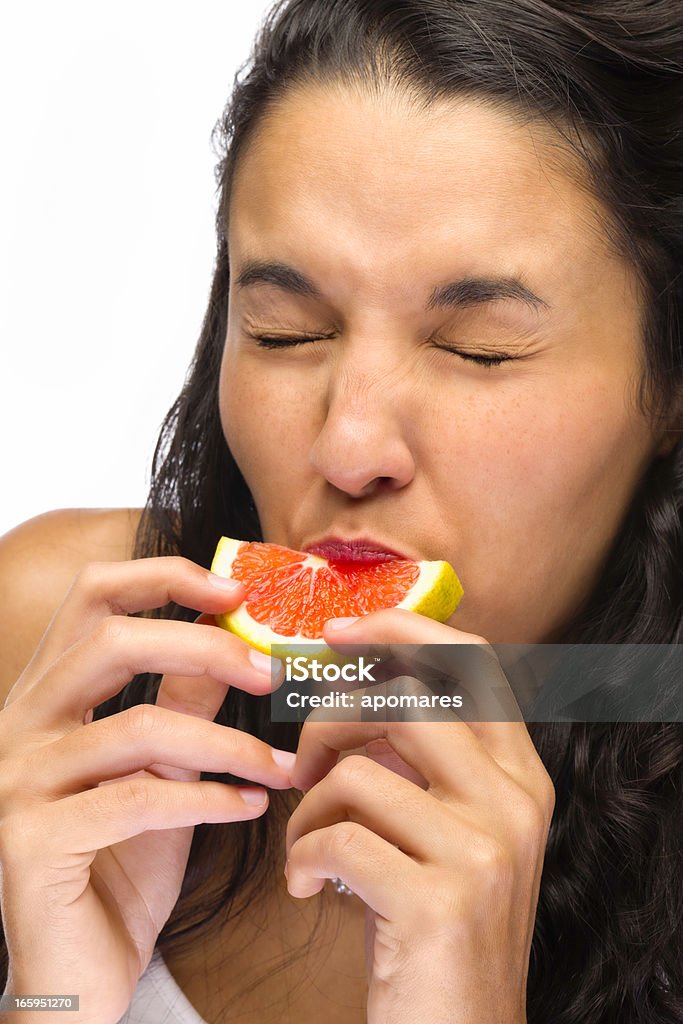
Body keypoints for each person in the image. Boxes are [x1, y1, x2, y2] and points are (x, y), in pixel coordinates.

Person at [0, 0, 681, 1021]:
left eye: (476, 349)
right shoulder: (58, 652)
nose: (346, 446)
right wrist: (50, 998)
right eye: (284, 330)